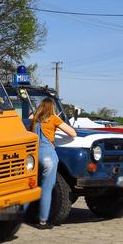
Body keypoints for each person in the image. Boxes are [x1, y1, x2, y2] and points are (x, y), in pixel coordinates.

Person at [29, 98, 77, 229]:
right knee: (46, 189)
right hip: (48, 155)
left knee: (30, 187)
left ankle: (19, 216)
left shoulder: (34, 119)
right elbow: (73, 133)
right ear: (52, 108)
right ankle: (43, 221)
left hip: (33, 155)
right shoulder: (53, 118)